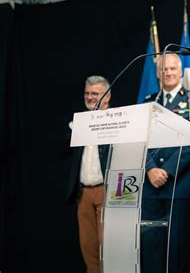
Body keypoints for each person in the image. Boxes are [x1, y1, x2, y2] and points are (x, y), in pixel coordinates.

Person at [140, 53, 190, 273]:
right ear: (157, 73)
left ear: (180, 72)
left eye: (172, 69)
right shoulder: (148, 102)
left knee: (178, 248)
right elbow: (139, 139)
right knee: (151, 246)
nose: (168, 73)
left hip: (181, 185)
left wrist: (166, 170)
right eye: (163, 69)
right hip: (150, 187)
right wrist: (150, 169)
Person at [66, 75, 111, 273]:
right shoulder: (78, 121)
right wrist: (73, 131)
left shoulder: (117, 120)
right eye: (87, 93)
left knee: (108, 248)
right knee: (88, 248)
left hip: (107, 193)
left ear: (107, 96)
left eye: (95, 93)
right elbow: (63, 152)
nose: (90, 97)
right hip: (83, 194)